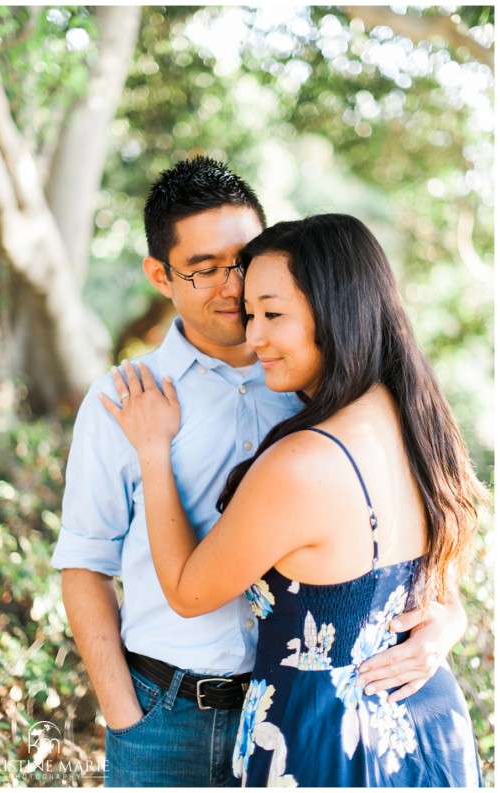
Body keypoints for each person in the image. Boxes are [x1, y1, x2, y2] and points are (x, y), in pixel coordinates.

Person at [53, 158, 467, 788]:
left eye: (242, 262)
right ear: (160, 276)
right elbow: (85, 560)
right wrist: (125, 716)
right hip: (168, 717)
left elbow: (405, 524)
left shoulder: (314, 380)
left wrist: (445, 614)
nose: (230, 287)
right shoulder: (123, 400)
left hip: (301, 714)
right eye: (203, 269)